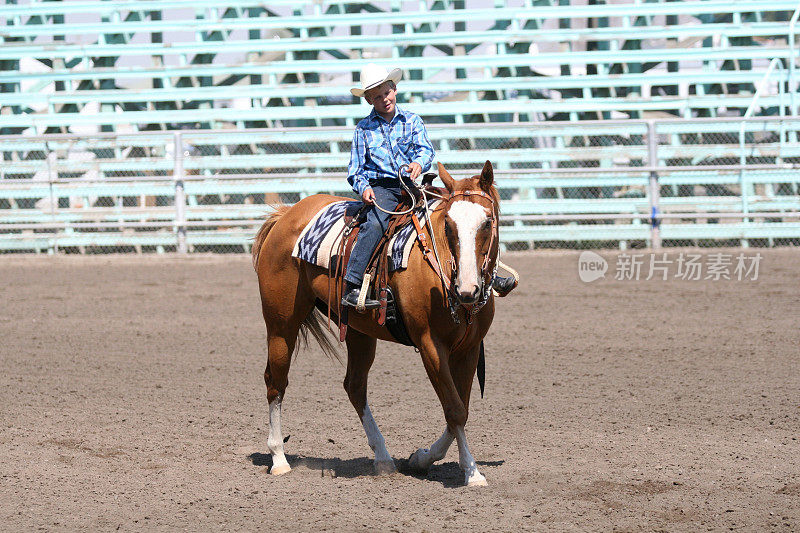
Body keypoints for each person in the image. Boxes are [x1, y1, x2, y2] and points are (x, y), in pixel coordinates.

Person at [342, 64, 515, 310]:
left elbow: (425, 151)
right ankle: (353, 283)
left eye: (386, 92)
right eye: (377, 96)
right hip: (383, 188)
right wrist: (364, 188)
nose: (384, 99)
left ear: (395, 89)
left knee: (459, 218)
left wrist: (417, 163)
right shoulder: (363, 130)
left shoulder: (412, 121)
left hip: (413, 186)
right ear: (369, 100)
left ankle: (486, 275)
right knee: (378, 222)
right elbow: (356, 170)